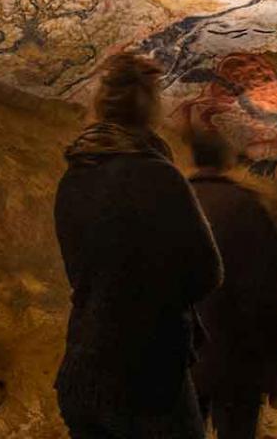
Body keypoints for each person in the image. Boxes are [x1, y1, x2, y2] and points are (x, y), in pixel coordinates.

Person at [54, 53, 223, 439]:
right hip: (149, 373)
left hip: (85, 367)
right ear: (151, 108)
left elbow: (79, 273)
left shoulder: (74, 177)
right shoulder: (159, 176)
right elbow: (207, 273)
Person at [185, 125, 277, 439]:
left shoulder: (175, 203)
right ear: (226, 160)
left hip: (183, 358)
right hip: (239, 359)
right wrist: (275, 366)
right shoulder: (250, 208)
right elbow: (267, 295)